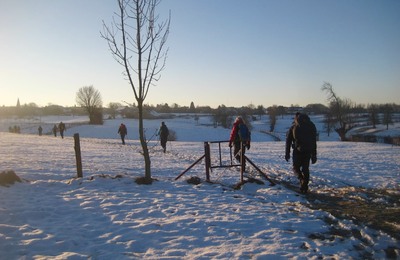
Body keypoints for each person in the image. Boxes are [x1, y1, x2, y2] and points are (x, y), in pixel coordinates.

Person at [285, 113, 317, 193]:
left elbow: (288, 141)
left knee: (295, 167)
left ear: (296, 118)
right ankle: (305, 185)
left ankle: (301, 179)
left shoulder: (294, 126)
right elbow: (313, 141)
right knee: (305, 168)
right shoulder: (311, 126)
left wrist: (287, 153)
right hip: (308, 150)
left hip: (298, 150)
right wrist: (314, 154)